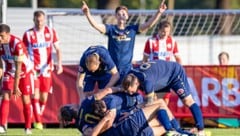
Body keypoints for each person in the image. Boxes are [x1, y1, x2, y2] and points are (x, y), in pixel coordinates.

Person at [81, 0, 167, 84]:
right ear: (115, 16)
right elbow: (95, 25)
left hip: (127, 70)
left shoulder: (132, 29)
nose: (121, 16)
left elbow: (148, 24)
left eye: (123, 14)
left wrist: (159, 12)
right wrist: (87, 14)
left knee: (127, 93)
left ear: (127, 16)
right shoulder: (111, 29)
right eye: (119, 14)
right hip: (112, 70)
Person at [122, 60, 206, 136]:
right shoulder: (130, 76)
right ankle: (175, 130)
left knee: (188, 101)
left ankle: (201, 130)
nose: (131, 93)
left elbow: (149, 104)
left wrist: (132, 112)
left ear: (136, 83)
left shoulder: (147, 82)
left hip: (174, 74)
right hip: (161, 78)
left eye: (132, 91)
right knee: (160, 105)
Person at [22, 10, 63, 130]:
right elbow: (23, 52)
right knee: (35, 94)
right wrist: (26, 66)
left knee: (43, 97)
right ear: (33, 20)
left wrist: (59, 64)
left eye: (41, 20)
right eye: (37, 20)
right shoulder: (28, 34)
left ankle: (37, 115)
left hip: (47, 70)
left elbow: (58, 49)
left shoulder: (51, 32)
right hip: (33, 70)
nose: (39, 23)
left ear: (44, 20)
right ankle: (38, 121)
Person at [0, 24, 34, 134]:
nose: (0, 39)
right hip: (9, 71)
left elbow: (19, 67)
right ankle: (2, 126)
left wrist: (15, 87)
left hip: (23, 72)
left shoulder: (17, 44)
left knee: (25, 99)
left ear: (8, 34)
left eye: (2, 36)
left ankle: (28, 127)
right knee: (5, 95)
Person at [142, 20, 182, 105]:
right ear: (159, 30)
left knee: (165, 99)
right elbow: (145, 58)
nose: (165, 34)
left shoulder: (172, 41)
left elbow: (178, 58)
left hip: (167, 74)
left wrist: (179, 69)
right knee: (154, 99)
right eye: (163, 31)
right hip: (155, 73)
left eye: (167, 32)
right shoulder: (151, 41)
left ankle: (162, 116)